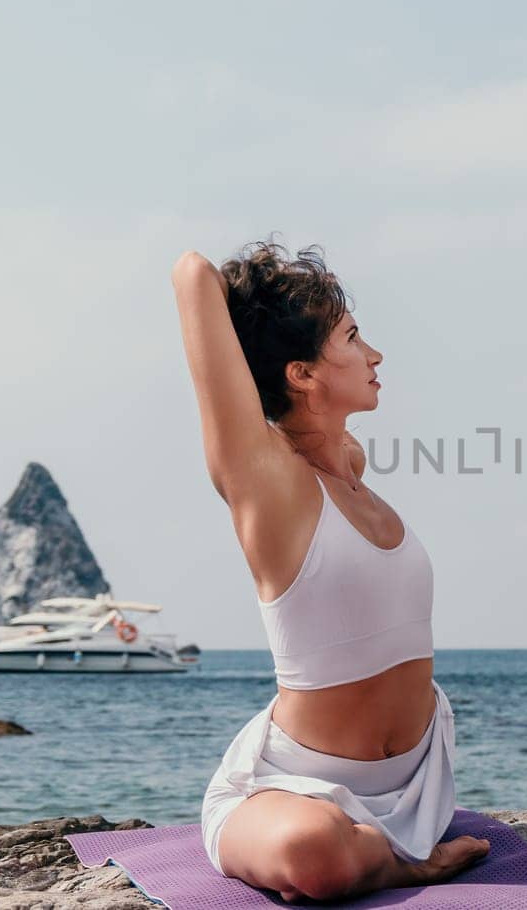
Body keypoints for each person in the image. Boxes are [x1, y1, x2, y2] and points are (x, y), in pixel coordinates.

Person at [173, 241, 490, 903]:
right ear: (302, 374)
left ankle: (382, 847)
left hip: (414, 787)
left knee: (328, 848)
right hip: (293, 788)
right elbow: (191, 275)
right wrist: (264, 291)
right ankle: (397, 865)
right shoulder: (269, 485)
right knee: (310, 848)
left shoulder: (348, 469)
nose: (374, 355)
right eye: (351, 336)